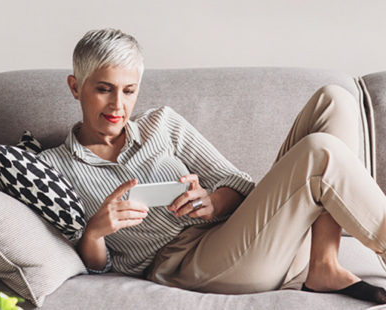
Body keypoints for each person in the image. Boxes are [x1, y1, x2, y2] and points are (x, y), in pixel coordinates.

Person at [38, 28, 386, 304]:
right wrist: (96, 232)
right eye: (104, 89)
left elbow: (238, 182)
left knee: (336, 99)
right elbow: (94, 266)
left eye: (129, 91)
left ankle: (324, 264)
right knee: (319, 151)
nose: (118, 104)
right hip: (187, 265)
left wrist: (212, 202)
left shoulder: (162, 123)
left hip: (248, 237)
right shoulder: (53, 167)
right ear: (75, 86)